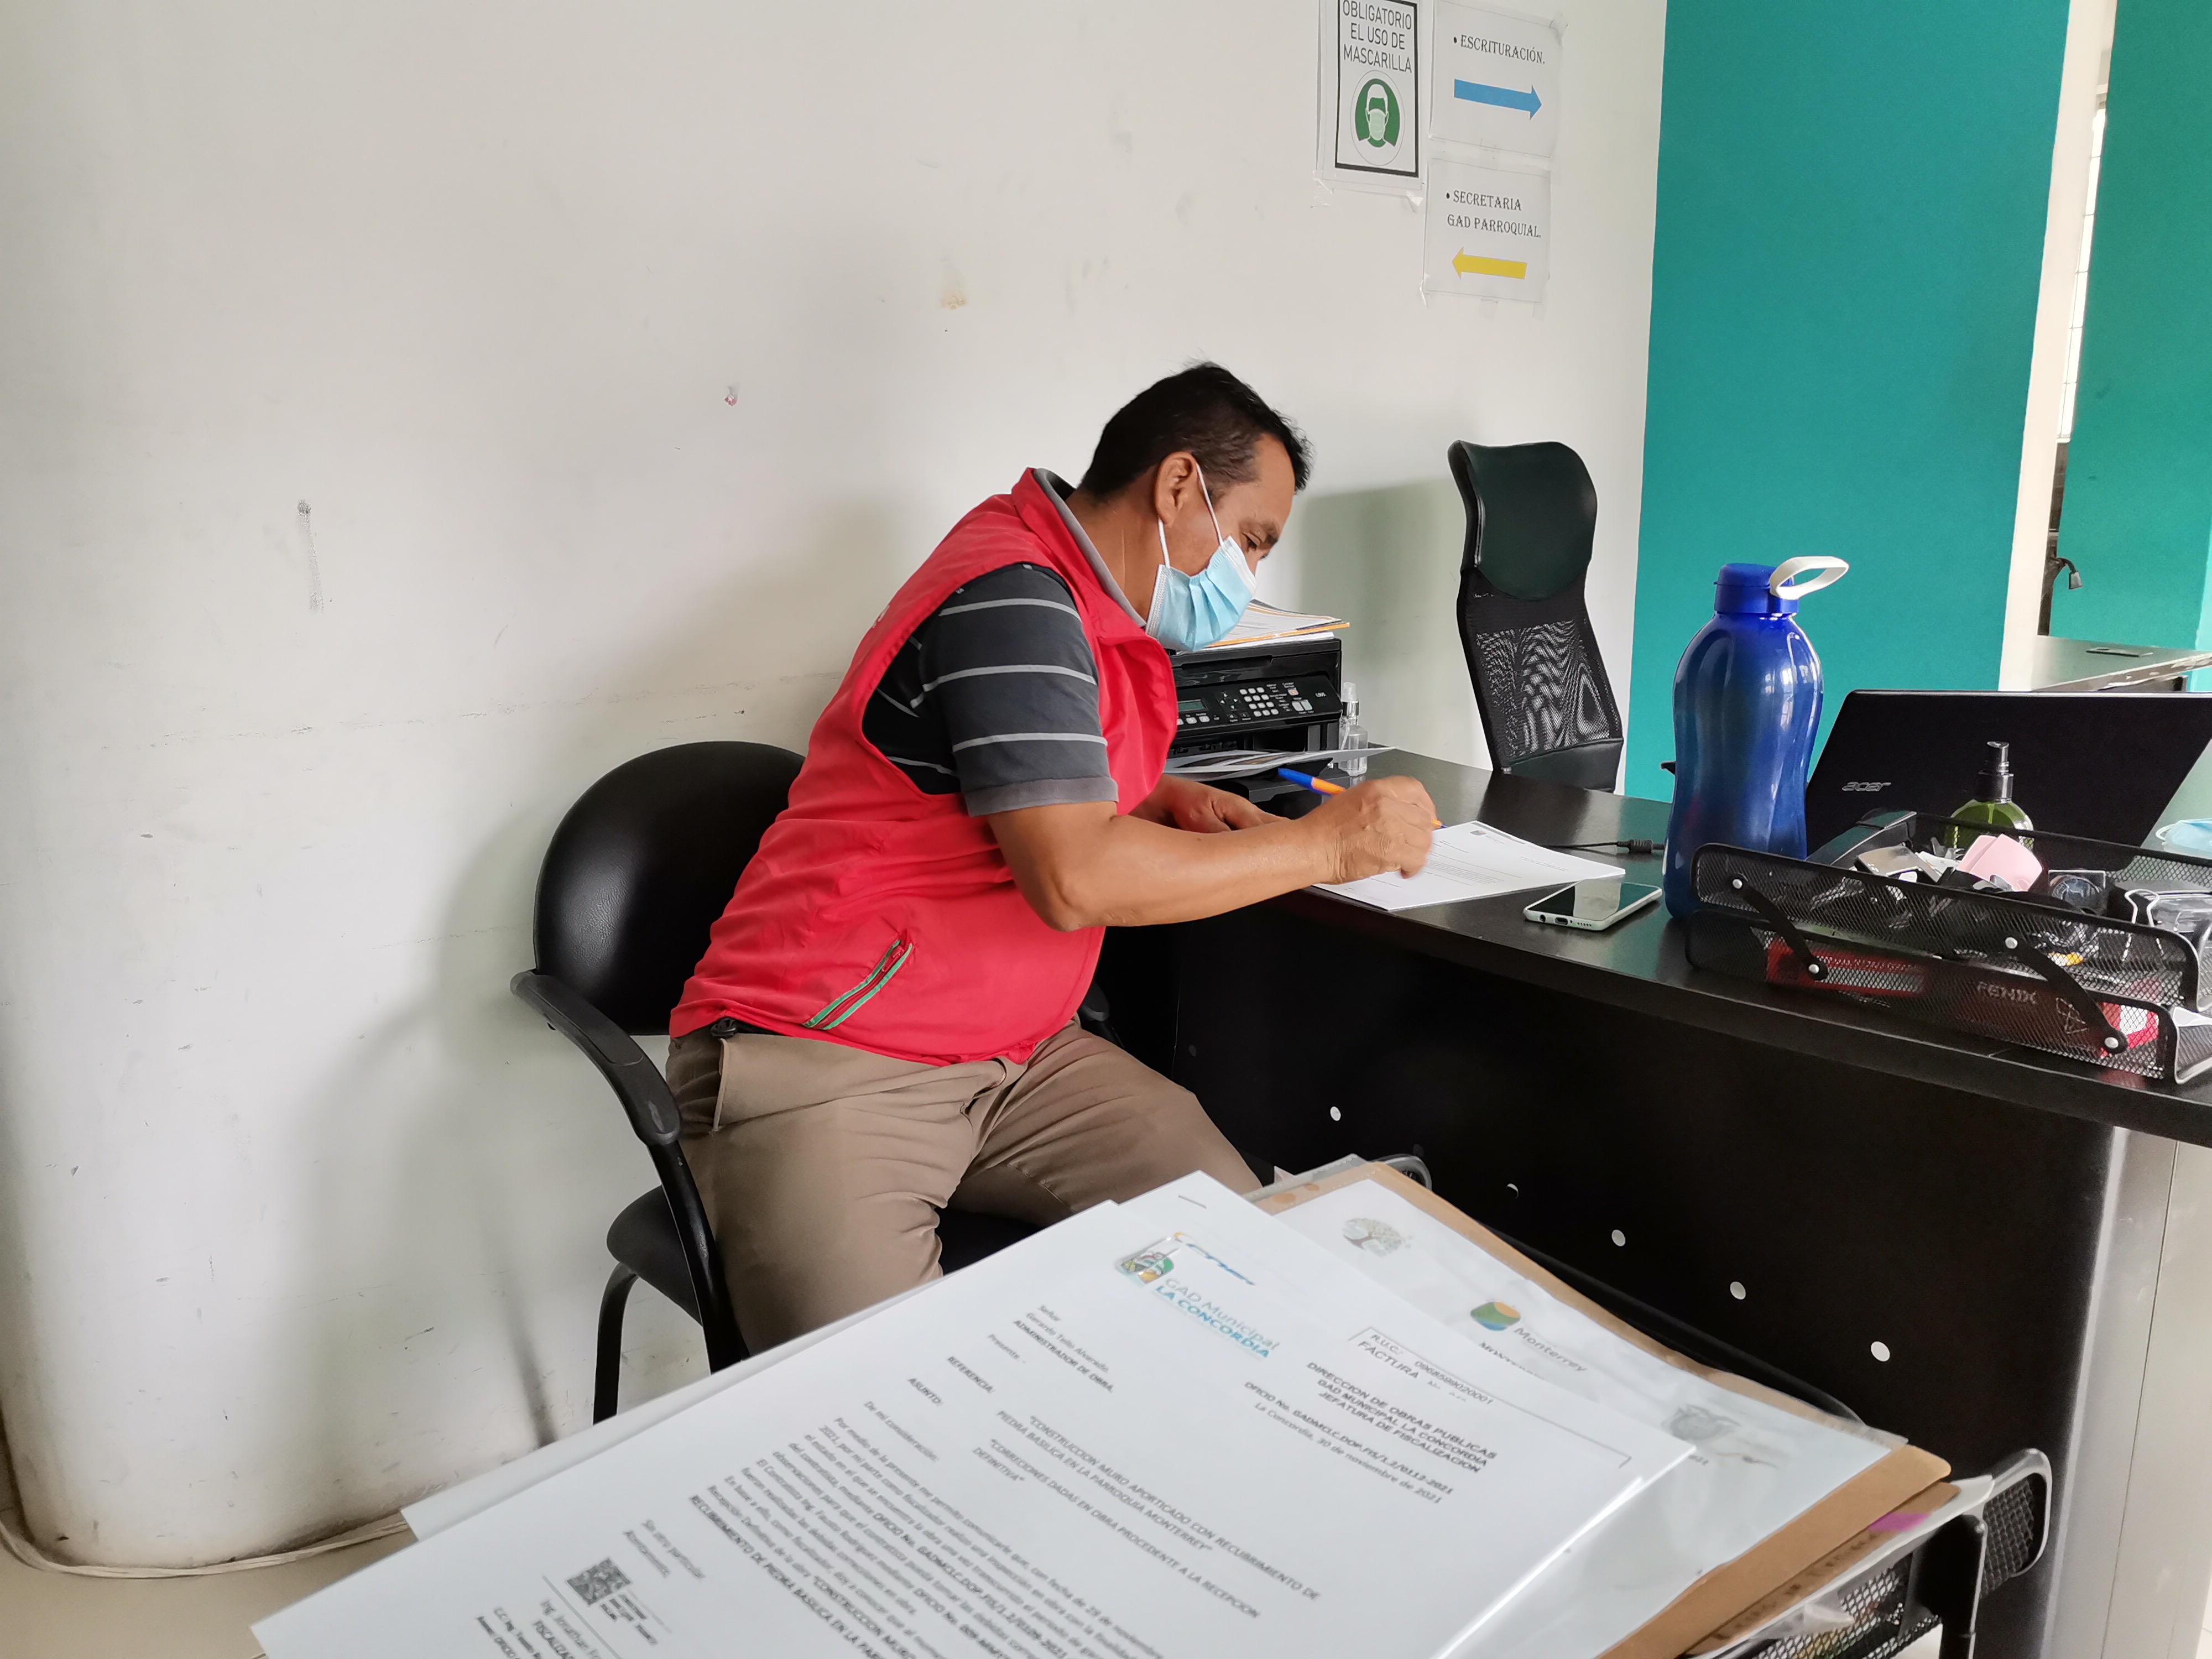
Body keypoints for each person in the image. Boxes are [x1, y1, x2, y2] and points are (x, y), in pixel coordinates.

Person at [666, 363, 1437, 1347]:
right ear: (1177, 485)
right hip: (832, 1059)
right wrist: (1324, 845)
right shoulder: (1013, 597)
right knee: (879, 1394)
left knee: (1244, 1265)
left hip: (1022, 1057)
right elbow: (1076, 879)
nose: (1250, 577)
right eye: (1250, 540)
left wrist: (1157, 795)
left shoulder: (1083, 600)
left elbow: (1027, 769)